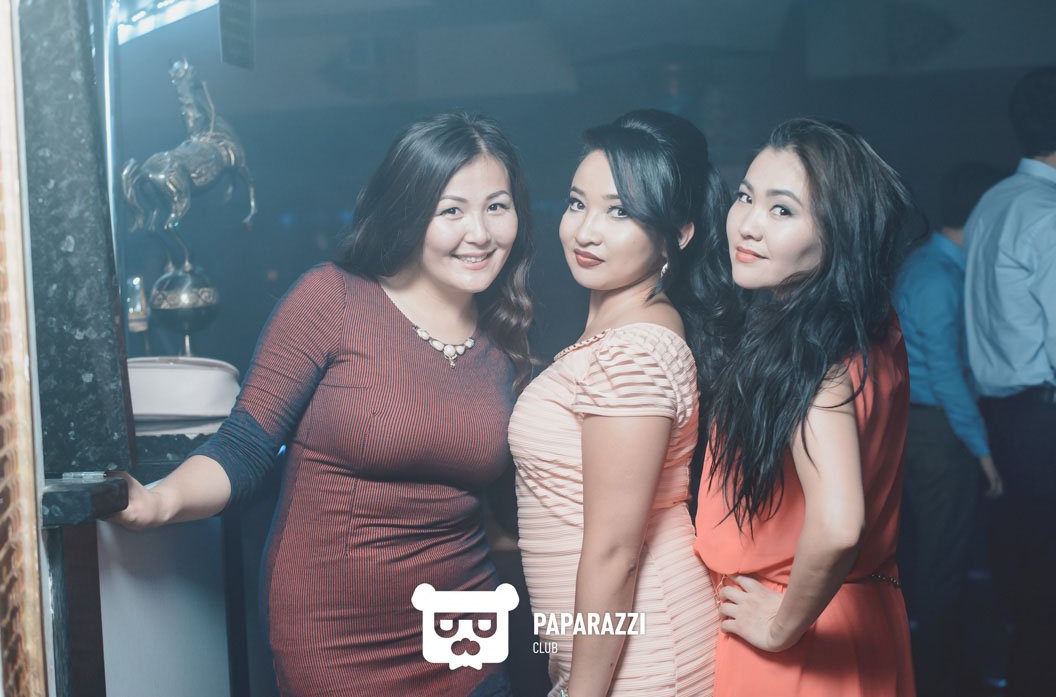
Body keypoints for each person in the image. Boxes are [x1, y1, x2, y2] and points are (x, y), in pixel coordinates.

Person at [108, 111, 534, 697]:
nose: (480, 233)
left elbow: (517, 509)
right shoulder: (332, 299)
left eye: (497, 206)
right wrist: (158, 503)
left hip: (464, 630)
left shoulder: (503, 340)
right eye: (452, 210)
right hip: (336, 636)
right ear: (409, 211)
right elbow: (244, 448)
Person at [509, 109, 733, 697]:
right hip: (614, 647)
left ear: (678, 232)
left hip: (642, 656)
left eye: (620, 211)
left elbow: (615, 553)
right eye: (577, 203)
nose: (585, 231)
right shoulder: (624, 333)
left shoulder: (632, 354)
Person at [694, 118, 917, 696]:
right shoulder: (872, 328)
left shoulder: (811, 356)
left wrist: (780, 628)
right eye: (745, 197)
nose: (748, 224)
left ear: (839, 233)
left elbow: (839, 525)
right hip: (862, 616)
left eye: (782, 210)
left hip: (799, 635)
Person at [893, 161, 1004, 697]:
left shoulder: (926, 265)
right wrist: (983, 449)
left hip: (917, 425)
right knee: (944, 555)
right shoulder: (937, 277)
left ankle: (930, 670)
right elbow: (946, 376)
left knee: (929, 552)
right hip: (935, 429)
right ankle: (937, 678)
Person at [962, 66, 1056, 697]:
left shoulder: (993, 201)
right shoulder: (1046, 213)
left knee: (1026, 575)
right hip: (1042, 417)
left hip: (1002, 416)